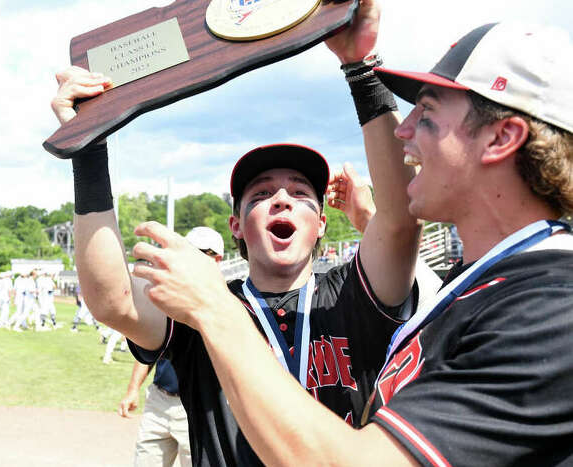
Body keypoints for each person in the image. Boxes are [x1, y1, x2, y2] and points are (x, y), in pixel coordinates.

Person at [130, 3, 573, 465]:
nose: (402, 130)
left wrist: (213, 307)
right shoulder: (495, 282)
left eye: (426, 115)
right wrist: (358, 66)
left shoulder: (552, 305)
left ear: (501, 138)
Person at [51, 16, 421, 460]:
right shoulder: (202, 303)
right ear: (236, 226)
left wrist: (360, 67)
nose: (282, 199)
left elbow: (400, 220)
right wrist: (88, 147)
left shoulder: (351, 295)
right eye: (261, 194)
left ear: (321, 223)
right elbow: (112, 300)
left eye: (301, 194)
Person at [118, 227, 225, 467]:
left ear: (217, 259)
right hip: (159, 399)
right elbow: (149, 349)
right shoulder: (167, 297)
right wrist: (133, 389)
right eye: (191, 252)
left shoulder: (227, 301)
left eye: (203, 253)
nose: (194, 258)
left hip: (198, 406)